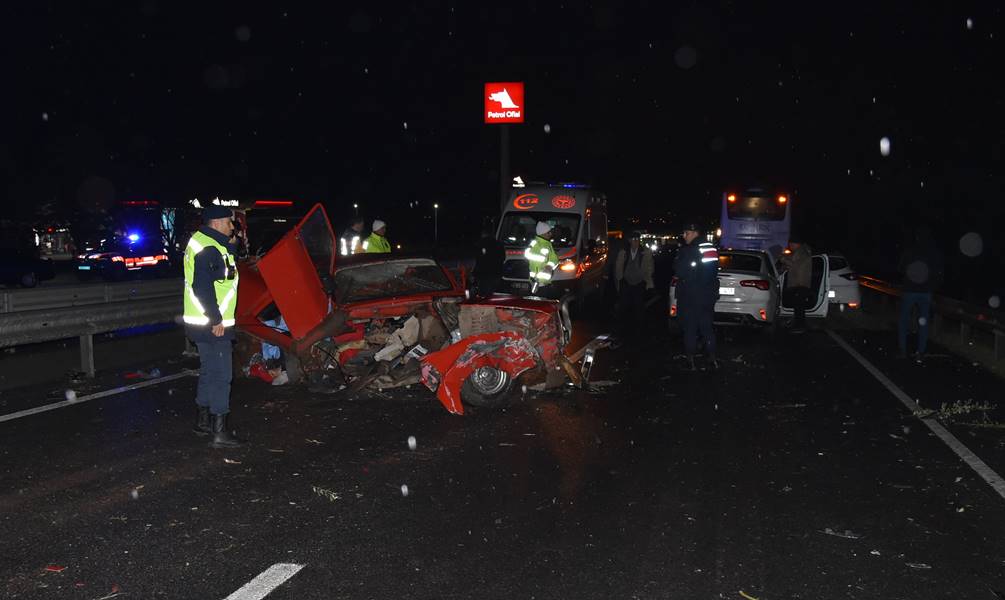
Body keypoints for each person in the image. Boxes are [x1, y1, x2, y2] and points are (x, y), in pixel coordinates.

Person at [183, 204, 244, 448]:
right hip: (213, 324)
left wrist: (233, 244)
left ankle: (203, 422)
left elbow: (221, 270)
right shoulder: (208, 248)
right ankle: (220, 432)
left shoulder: (205, 242)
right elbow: (202, 287)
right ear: (217, 222)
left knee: (209, 370)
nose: (232, 226)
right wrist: (216, 319)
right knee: (222, 376)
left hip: (201, 322)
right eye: (230, 222)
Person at [673, 222, 719, 370]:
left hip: (690, 297)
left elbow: (679, 271)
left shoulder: (688, 250)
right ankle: (712, 359)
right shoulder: (711, 248)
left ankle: (690, 360)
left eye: (686, 233)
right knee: (707, 328)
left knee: (690, 329)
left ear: (694, 233)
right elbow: (712, 272)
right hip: (707, 297)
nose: (684, 236)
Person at [897, 225, 944, 362]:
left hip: (910, 290)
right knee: (923, 322)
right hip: (926, 291)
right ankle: (921, 352)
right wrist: (932, 287)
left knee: (904, 321)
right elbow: (939, 272)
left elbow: (900, 268)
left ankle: (903, 350)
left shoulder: (909, 251)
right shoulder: (934, 252)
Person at [614, 231, 655, 341]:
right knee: (623, 306)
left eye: (637, 239)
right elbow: (618, 266)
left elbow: (650, 267)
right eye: (633, 239)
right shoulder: (624, 252)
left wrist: (647, 280)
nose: (636, 242)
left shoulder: (645, 252)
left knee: (639, 307)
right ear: (629, 241)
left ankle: (639, 331)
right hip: (626, 282)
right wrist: (620, 279)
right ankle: (622, 329)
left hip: (639, 282)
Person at [779, 238, 813, 333]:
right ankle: (797, 325)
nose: (789, 246)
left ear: (796, 244)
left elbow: (795, 265)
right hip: (797, 284)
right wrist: (783, 266)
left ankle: (800, 327)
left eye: (790, 244)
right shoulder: (797, 253)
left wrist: (783, 259)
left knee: (799, 307)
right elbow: (791, 265)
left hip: (800, 284)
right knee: (798, 307)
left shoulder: (802, 253)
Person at [524, 221, 558, 293]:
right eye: (548, 232)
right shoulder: (537, 244)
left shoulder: (547, 243)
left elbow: (554, 259)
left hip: (544, 281)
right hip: (538, 282)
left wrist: (550, 265)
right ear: (542, 233)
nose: (551, 234)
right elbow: (534, 260)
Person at [473, 223, 505, 297]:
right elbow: (503, 257)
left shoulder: (481, 244)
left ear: (483, 233)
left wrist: (476, 273)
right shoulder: (499, 244)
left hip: (485, 274)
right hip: (496, 273)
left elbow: (478, 258)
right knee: (493, 294)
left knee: (483, 295)